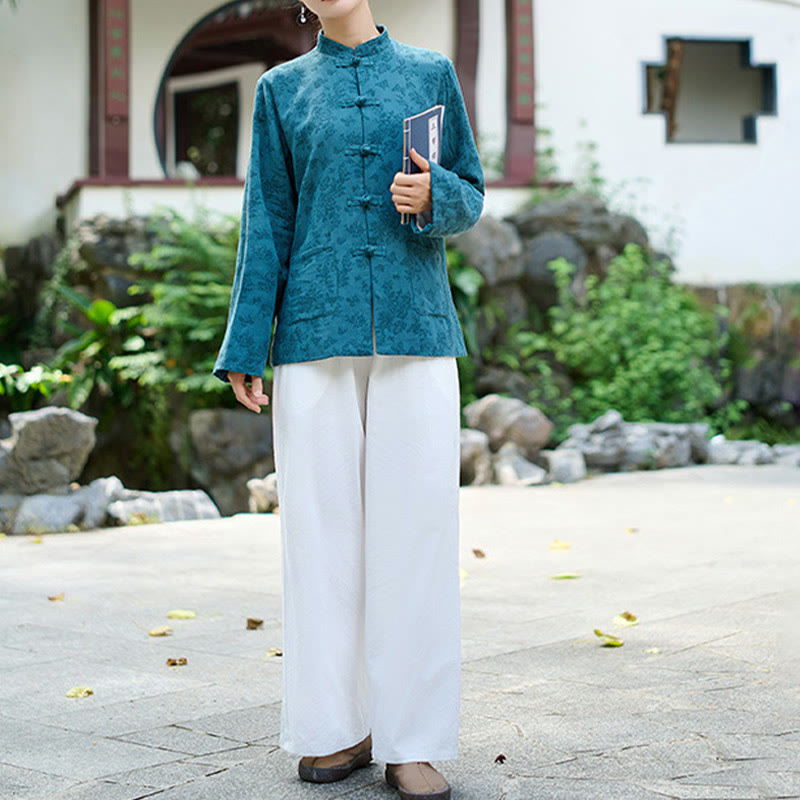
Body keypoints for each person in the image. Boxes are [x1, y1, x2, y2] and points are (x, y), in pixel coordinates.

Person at [212, 1, 485, 797]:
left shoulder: (429, 74)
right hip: (311, 338)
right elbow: (266, 219)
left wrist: (435, 195)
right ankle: (339, 728)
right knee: (321, 541)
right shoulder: (280, 90)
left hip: (417, 333)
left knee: (416, 538)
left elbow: (470, 190)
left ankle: (415, 741)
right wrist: (245, 343)